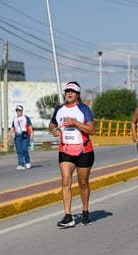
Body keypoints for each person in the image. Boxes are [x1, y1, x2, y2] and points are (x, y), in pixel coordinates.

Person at [49, 81, 95, 227]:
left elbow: (91, 130)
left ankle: (85, 210)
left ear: (78, 94)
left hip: (83, 151)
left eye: (72, 91)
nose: (69, 93)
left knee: (83, 184)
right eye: (67, 91)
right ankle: (68, 216)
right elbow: (52, 123)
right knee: (65, 181)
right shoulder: (59, 109)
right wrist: (53, 129)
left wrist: (75, 122)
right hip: (65, 150)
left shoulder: (83, 109)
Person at [8, 105, 34, 170]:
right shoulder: (15, 119)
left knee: (24, 149)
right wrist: (9, 135)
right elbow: (13, 127)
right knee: (19, 150)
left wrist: (31, 133)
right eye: (17, 110)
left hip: (25, 135)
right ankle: (21, 164)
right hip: (17, 136)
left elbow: (30, 126)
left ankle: (27, 162)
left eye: (19, 110)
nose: (18, 111)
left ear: (22, 111)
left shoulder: (26, 118)